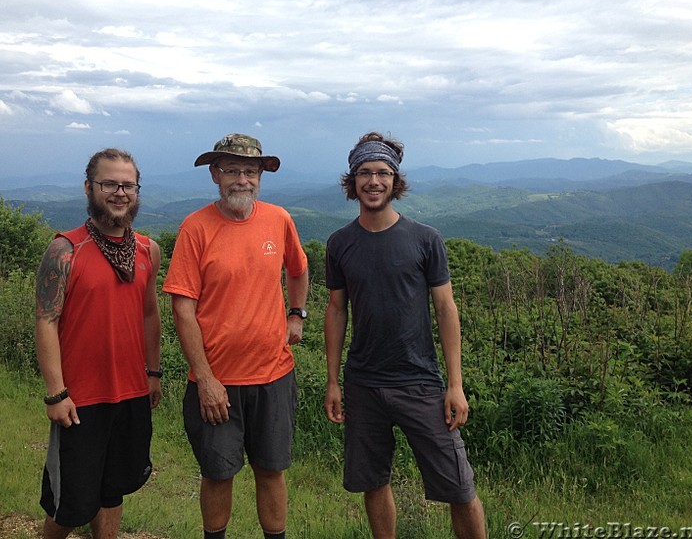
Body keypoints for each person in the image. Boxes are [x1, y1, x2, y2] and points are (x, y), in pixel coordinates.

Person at [323, 132, 487, 539]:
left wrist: (455, 384)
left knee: (459, 487)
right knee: (374, 481)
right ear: (352, 181)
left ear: (395, 181)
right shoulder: (340, 243)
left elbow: (446, 309)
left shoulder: (425, 239)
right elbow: (336, 310)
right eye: (364, 173)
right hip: (363, 382)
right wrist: (333, 381)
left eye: (382, 173)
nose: (373, 181)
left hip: (420, 382)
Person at [163, 133, 309, 539]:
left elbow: (298, 268)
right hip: (217, 382)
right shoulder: (195, 228)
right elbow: (182, 308)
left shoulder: (279, 220)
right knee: (218, 473)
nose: (241, 179)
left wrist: (296, 314)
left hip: (274, 376)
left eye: (250, 170)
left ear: (261, 176)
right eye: (231, 170)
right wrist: (205, 378)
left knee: (271, 471)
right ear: (215, 174)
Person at [34, 148, 162, 539]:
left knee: (113, 489)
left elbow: (149, 315)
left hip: (131, 392)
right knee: (69, 503)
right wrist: (56, 393)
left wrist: (153, 373)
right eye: (109, 184)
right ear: (89, 187)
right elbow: (45, 321)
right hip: (80, 400)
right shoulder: (64, 250)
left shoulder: (147, 250)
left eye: (127, 185)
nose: (119, 192)